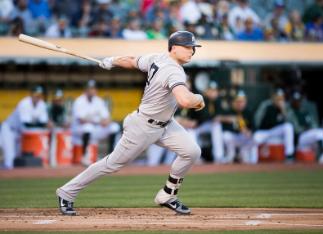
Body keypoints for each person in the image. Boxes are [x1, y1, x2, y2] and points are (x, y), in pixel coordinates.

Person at [56, 31, 205, 216]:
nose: (191, 51)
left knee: (191, 151)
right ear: (173, 48)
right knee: (111, 164)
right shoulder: (172, 70)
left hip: (166, 124)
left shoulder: (156, 58)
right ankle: (67, 192)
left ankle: (167, 195)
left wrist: (111, 60)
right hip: (143, 126)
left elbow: (132, 61)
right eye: (188, 47)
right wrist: (199, 98)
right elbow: (184, 100)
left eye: (193, 48)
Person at [71, 80, 121, 166]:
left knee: (114, 127)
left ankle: (111, 157)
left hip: (95, 128)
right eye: (90, 89)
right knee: (88, 127)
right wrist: (98, 121)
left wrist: (106, 121)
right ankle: (84, 157)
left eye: (93, 88)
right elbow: (81, 120)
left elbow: (107, 117)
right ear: (86, 90)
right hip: (79, 130)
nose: (92, 90)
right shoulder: (79, 101)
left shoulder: (98, 101)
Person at [0, 86, 49, 169]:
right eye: (36, 94)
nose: (37, 97)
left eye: (39, 95)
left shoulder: (42, 104)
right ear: (31, 94)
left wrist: (44, 124)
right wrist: (42, 124)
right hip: (9, 130)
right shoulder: (24, 103)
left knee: (18, 158)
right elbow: (26, 123)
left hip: (20, 132)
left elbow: (44, 122)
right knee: (10, 159)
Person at [253, 89, 295, 161]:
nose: (279, 100)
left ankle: (289, 155)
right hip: (264, 132)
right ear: (273, 97)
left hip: (275, 132)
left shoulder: (285, 107)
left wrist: (283, 110)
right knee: (254, 138)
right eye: (277, 98)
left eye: (281, 98)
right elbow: (256, 120)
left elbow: (292, 123)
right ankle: (253, 160)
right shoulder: (266, 105)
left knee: (288, 127)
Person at [218, 90, 257, 164]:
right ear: (234, 102)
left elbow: (254, 127)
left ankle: (243, 152)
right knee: (225, 136)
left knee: (256, 138)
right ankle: (231, 154)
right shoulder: (229, 111)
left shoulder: (248, 112)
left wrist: (249, 132)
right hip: (233, 138)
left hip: (244, 138)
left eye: (242, 102)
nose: (240, 104)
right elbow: (224, 127)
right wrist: (237, 127)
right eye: (238, 102)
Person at [290, 92, 323, 161]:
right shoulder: (291, 112)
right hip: (301, 137)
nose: (297, 102)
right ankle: (321, 155)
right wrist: (305, 128)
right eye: (295, 101)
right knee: (320, 132)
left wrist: (311, 128)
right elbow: (296, 129)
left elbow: (314, 124)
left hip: (310, 136)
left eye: (298, 101)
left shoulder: (304, 112)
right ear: (292, 101)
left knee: (322, 135)